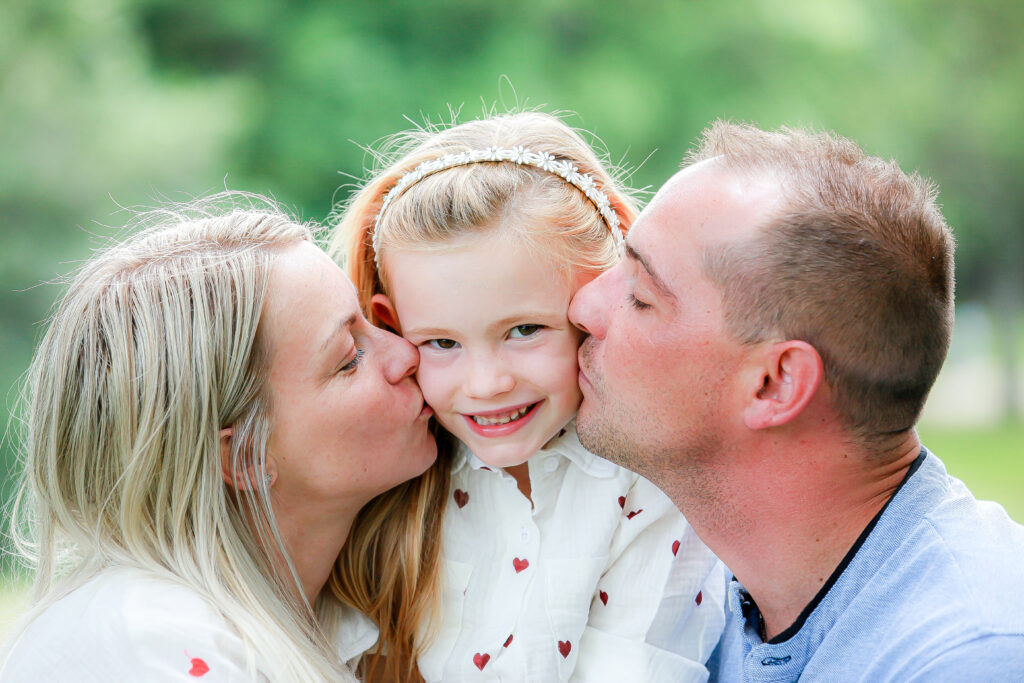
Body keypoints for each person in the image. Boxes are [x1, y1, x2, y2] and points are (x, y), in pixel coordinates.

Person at [568, 120, 1024, 681]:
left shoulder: (968, 657)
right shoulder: (679, 589)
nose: (584, 305)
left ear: (775, 384)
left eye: (640, 296)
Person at [329, 111, 725, 682]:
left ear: (599, 300)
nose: (487, 383)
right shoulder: (392, 479)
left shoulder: (648, 481)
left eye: (523, 330)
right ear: (392, 326)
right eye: (442, 342)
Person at [1, 195, 447, 682]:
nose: (406, 353)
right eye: (349, 357)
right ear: (243, 455)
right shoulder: (150, 648)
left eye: (371, 321)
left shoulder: (333, 619)